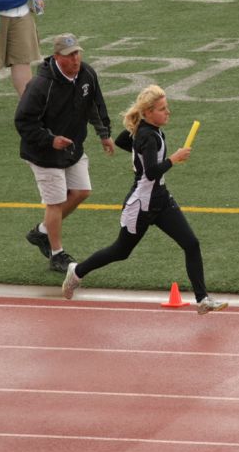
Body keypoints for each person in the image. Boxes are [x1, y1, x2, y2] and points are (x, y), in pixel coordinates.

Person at [62, 85, 228, 315]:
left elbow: (122, 140)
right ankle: (77, 271)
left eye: (166, 108)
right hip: (141, 205)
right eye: (162, 109)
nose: (167, 112)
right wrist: (174, 158)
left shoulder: (149, 130)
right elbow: (150, 172)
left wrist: (137, 149)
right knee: (121, 251)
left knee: (191, 243)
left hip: (161, 200)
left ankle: (203, 299)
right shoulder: (148, 136)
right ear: (148, 112)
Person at [15, 33, 115, 273]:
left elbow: (95, 104)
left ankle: (41, 232)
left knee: (82, 191)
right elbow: (24, 122)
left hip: (73, 147)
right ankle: (57, 254)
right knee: (56, 202)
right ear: (58, 57)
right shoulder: (41, 86)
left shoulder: (86, 74)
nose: (76, 59)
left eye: (78, 53)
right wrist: (50, 140)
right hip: (44, 154)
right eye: (70, 55)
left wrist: (104, 134)